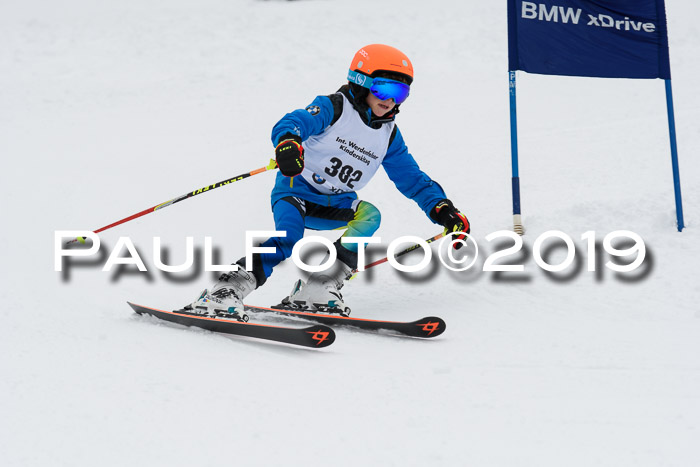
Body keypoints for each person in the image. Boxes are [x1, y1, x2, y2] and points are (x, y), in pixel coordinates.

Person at [187, 44, 470, 321]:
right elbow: (293, 122)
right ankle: (227, 288)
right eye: (385, 88)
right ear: (361, 83)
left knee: (370, 215)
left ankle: (320, 285)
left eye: (401, 93)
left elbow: (413, 180)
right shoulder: (334, 107)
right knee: (289, 237)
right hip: (295, 190)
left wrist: (442, 209)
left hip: (335, 203)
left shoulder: (389, 136)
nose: (391, 100)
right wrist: (287, 144)